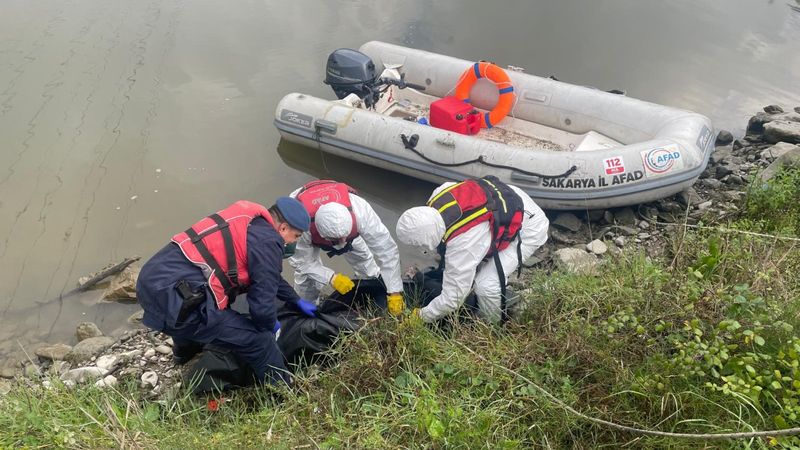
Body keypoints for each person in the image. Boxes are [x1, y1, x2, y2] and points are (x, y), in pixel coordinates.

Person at [136, 198, 317, 386]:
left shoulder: (249, 221)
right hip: (175, 300)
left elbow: (268, 276)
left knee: (188, 310)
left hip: (151, 282)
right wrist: (271, 325)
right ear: (284, 228)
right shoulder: (269, 241)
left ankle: (183, 355)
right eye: (296, 236)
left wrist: (295, 300)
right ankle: (283, 393)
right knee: (260, 342)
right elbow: (261, 309)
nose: (294, 242)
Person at [395, 176, 549, 324]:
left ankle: (491, 325)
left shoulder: (464, 243)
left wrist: (419, 316)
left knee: (486, 285)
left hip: (528, 226)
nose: (418, 247)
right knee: (471, 269)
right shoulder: (438, 195)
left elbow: (452, 300)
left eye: (418, 242)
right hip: (506, 198)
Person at [289, 180, 405, 316]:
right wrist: (331, 278)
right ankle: (307, 309)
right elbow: (301, 262)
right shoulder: (299, 223)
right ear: (321, 233)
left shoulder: (361, 212)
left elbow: (387, 250)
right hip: (308, 221)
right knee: (306, 279)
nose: (342, 243)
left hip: (347, 230)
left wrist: (394, 290)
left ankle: (369, 289)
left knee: (365, 264)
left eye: (344, 237)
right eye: (336, 240)